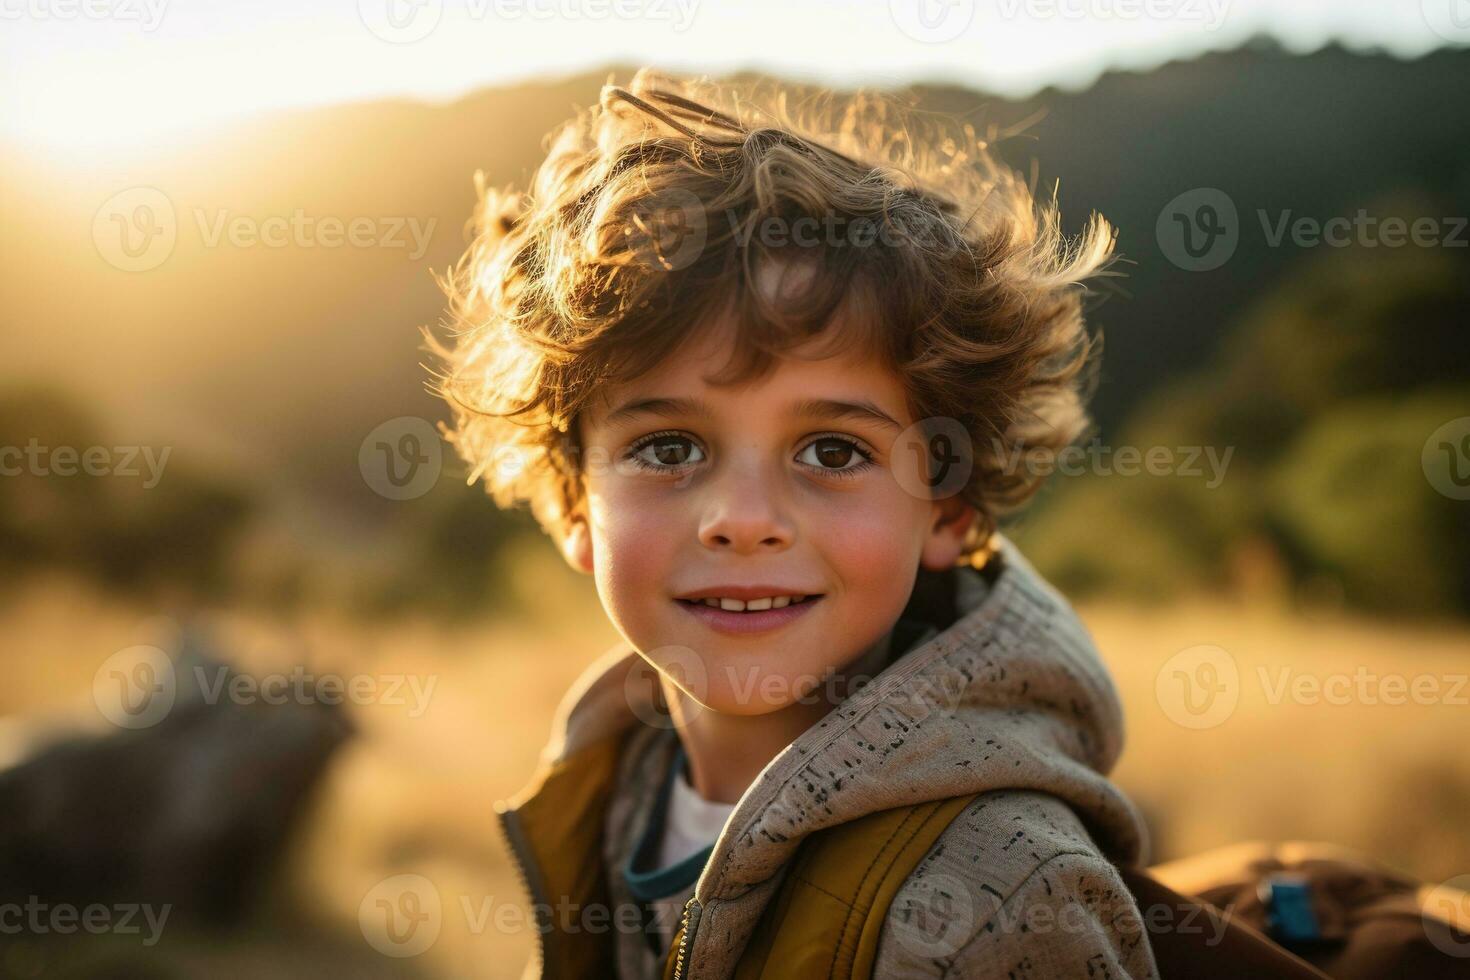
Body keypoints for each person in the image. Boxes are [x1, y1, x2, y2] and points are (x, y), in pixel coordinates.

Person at [429, 68, 1158, 979]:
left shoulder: (1003, 896)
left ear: (951, 505)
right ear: (577, 502)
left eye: (833, 452)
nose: (742, 521)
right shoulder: (614, 787)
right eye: (667, 449)